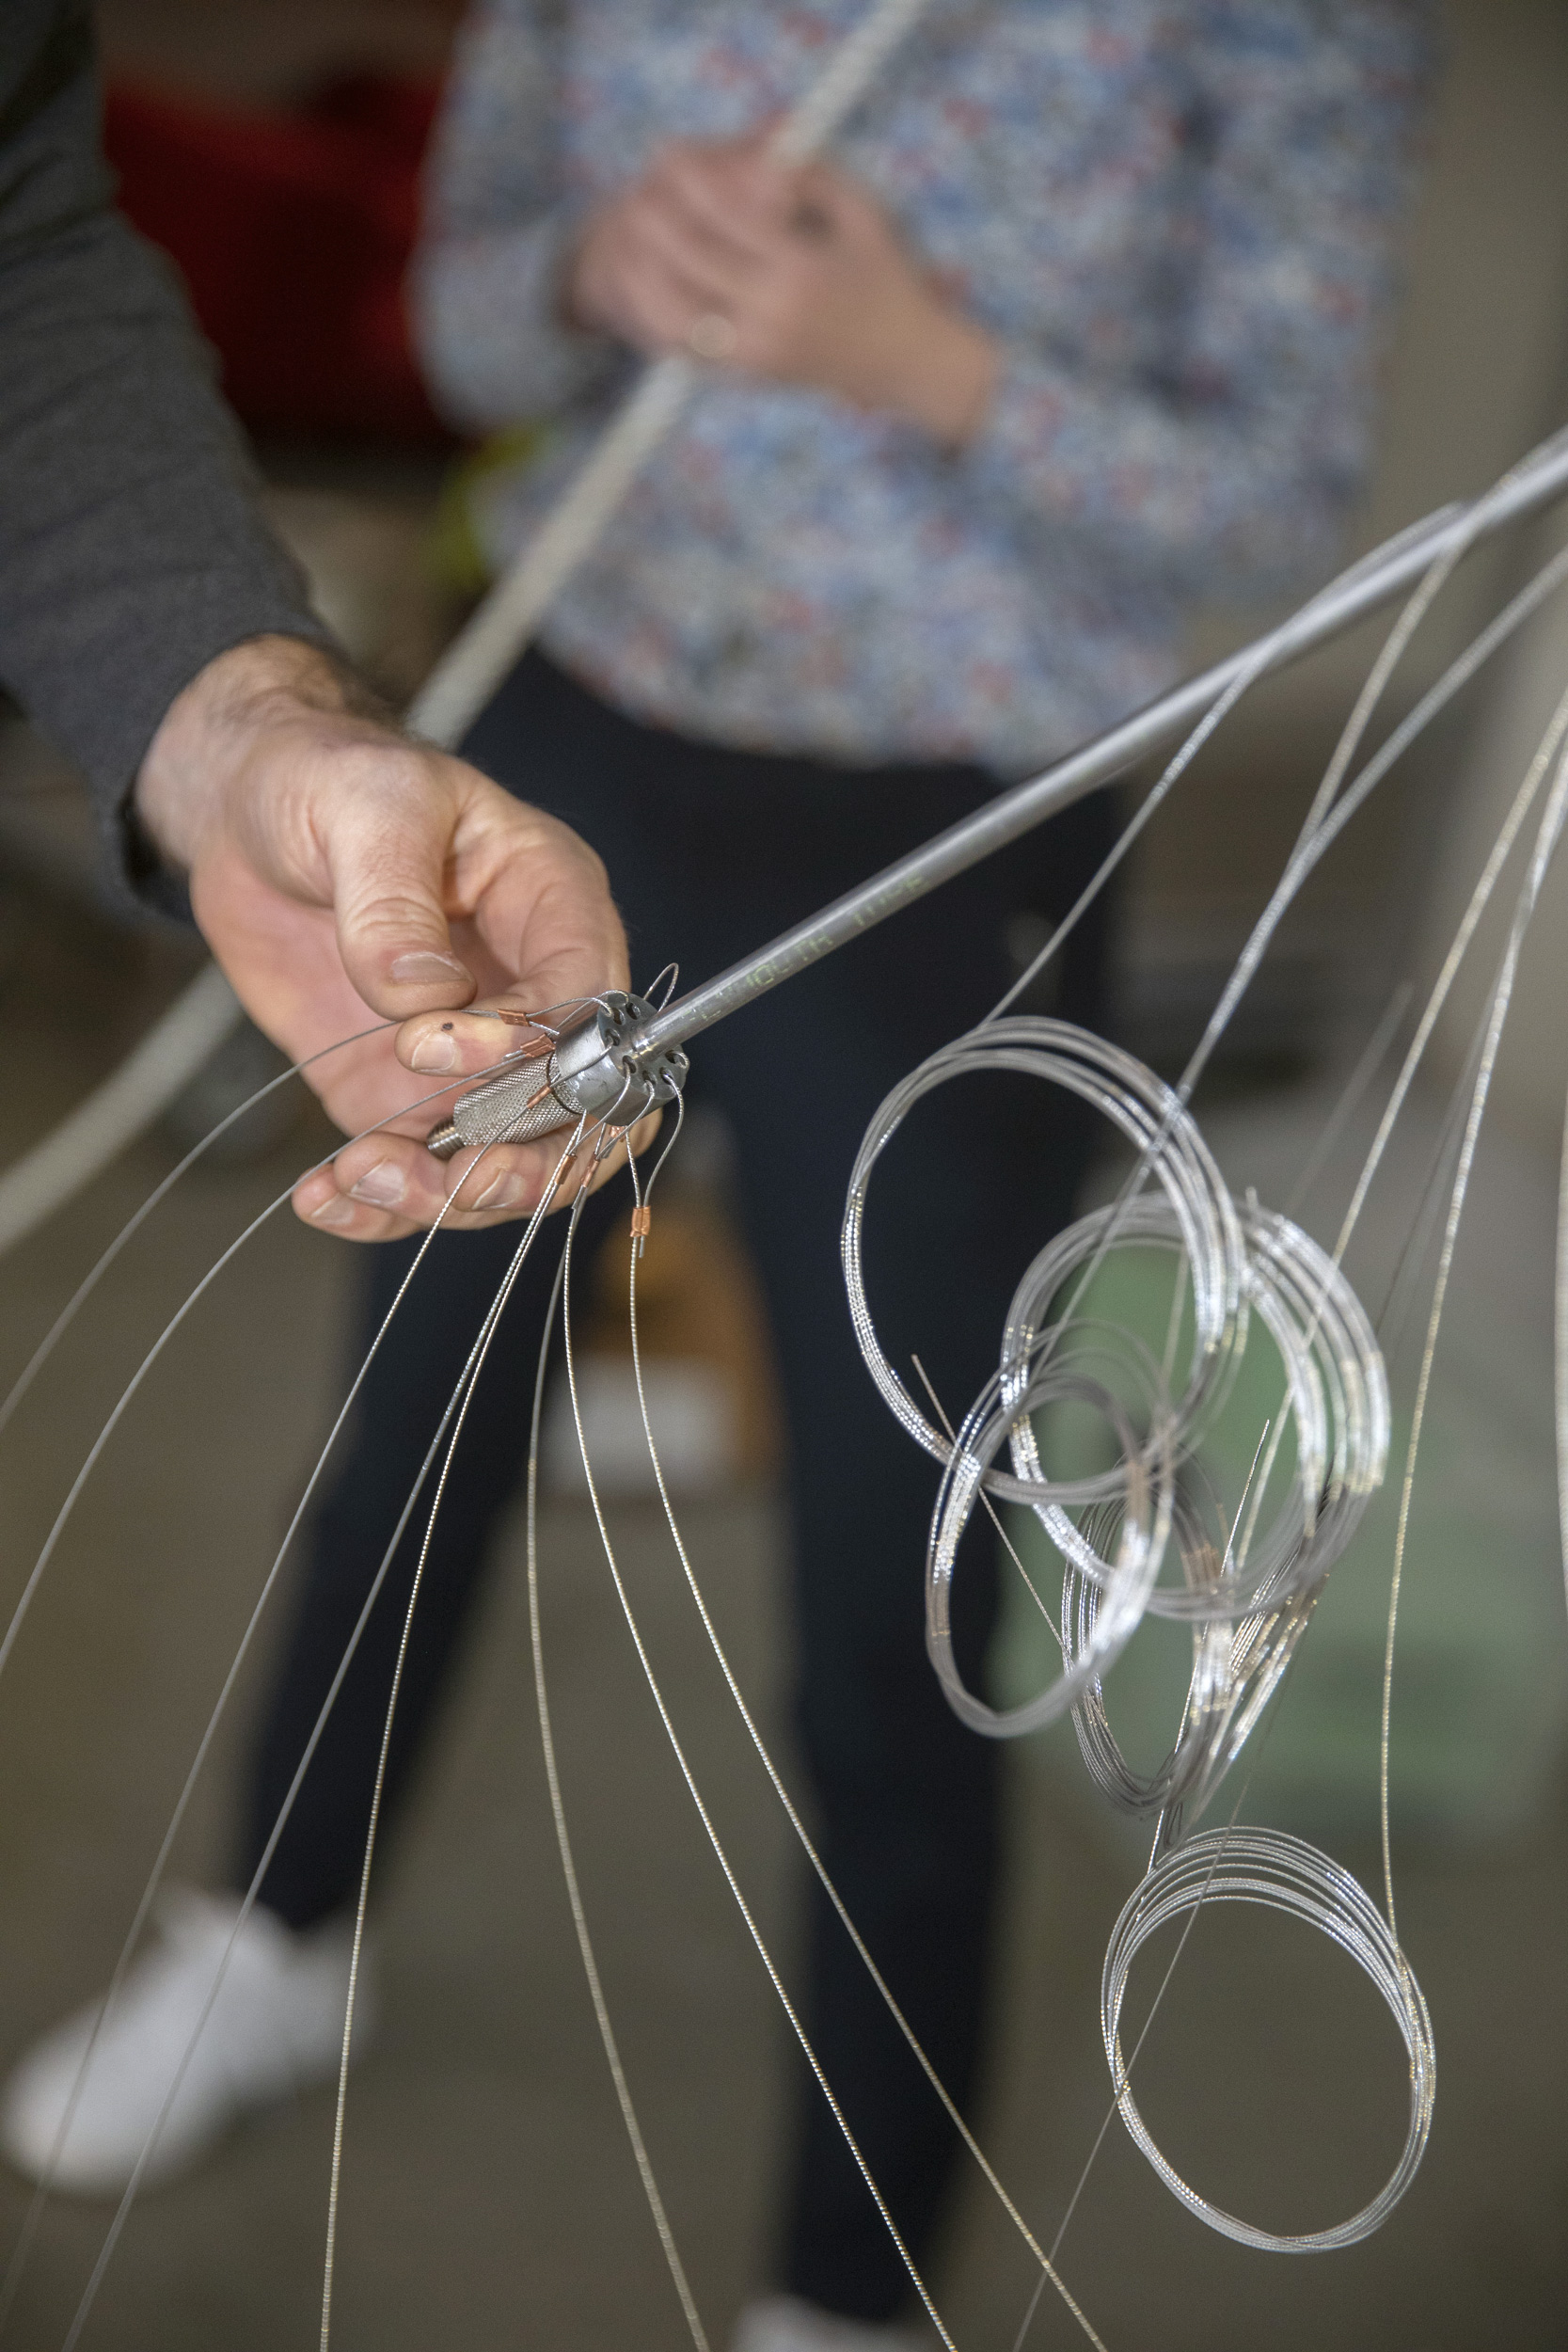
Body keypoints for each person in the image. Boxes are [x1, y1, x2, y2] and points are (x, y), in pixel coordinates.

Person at [1, 8, 1433, 2351]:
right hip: (581, 720)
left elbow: (1281, 502)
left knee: (913, 1573)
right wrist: (584, 268)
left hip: (954, 813)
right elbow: (448, 317)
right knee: (410, 1430)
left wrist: (927, 360)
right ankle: (273, 1930)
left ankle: (845, 2284)